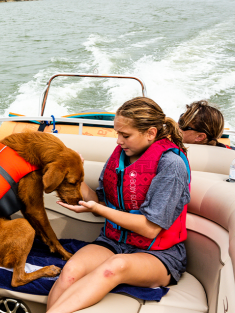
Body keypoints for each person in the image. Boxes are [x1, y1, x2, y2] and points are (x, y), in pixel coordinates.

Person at [46, 97, 190, 313]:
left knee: (114, 268)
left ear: (150, 133)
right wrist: (77, 173)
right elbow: (99, 202)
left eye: (125, 135)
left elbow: (150, 229)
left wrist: (99, 209)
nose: (118, 141)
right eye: (117, 134)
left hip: (159, 254)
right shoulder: (121, 156)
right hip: (113, 242)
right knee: (71, 271)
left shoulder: (172, 165)